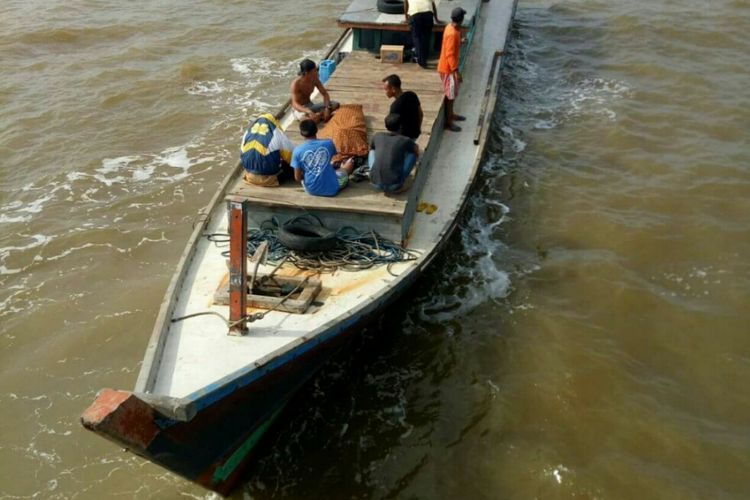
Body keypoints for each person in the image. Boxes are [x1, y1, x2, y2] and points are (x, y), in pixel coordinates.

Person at [291, 119, 354, 196]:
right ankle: (345, 170)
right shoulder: (328, 143)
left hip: (311, 190)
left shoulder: (297, 151)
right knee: (349, 164)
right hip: (333, 188)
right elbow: (331, 159)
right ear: (317, 130)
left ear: (301, 133)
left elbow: (297, 178)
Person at [368, 113, 419, 194]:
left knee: (372, 151)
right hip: (394, 185)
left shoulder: (377, 135)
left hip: (375, 183)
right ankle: (399, 185)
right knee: (412, 154)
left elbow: (372, 148)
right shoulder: (405, 140)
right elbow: (416, 150)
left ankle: (373, 171)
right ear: (401, 127)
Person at [239, 113, 295, 186]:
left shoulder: (247, 133)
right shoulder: (276, 132)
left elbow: (242, 153)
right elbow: (293, 157)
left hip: (250, 176)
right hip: (269, 179)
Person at [437, 7, 467, 132]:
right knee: (450, 96)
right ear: (461, 20)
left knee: (452, 94)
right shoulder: (452, 33)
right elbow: (449, 54)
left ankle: (451, 115)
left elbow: (451, 45)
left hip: (448, 68)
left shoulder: (450, 28)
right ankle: (448, 122)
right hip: (448, 69)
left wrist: (460, 41)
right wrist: (456, 72)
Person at [382, 74, 423, 140]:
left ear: (393, 89)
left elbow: (393, 128)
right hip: (414, 135)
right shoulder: (412, 95)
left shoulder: (395, 106)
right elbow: (420, 114)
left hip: (402, 139)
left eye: (386, 90)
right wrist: (418, 129)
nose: (385, 92)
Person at [404, 0, 441, 68]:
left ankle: (421, 61)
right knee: (426, 37)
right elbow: (433, 6)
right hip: (428, 14)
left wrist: (406, 18)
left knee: (417, 38)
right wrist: (436, 19)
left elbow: (406, 5)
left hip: (415, 14)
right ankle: (424, 58)